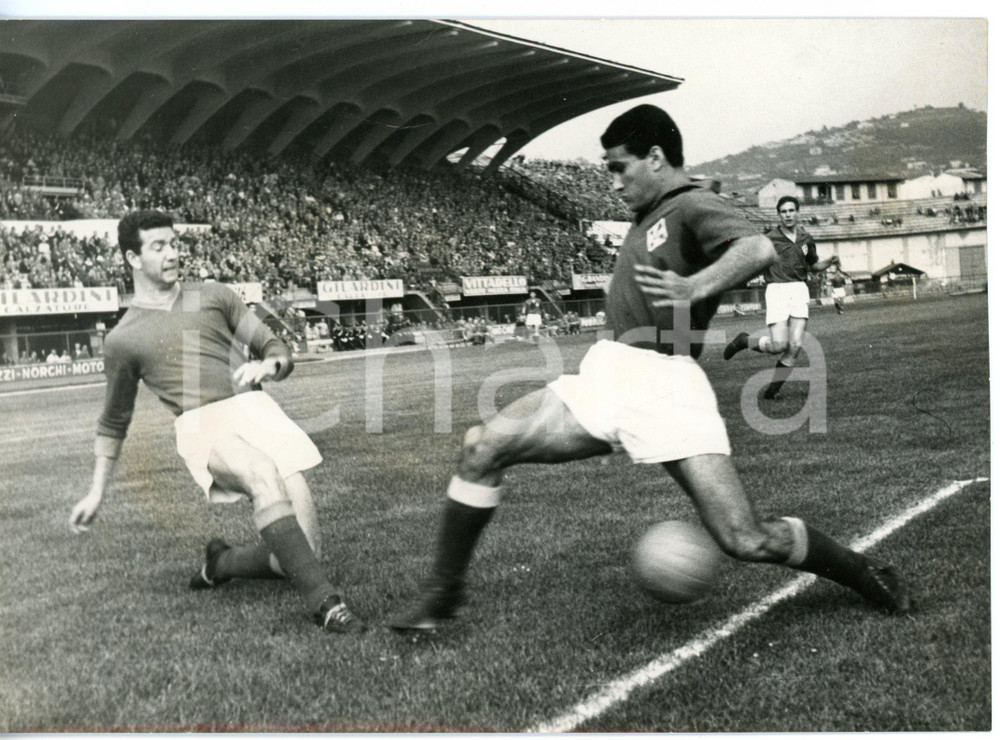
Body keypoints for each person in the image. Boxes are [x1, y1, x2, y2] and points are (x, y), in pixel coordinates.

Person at [389, 104, 908, 631]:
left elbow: (756, 248)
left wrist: (695, 287)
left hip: (665, 385)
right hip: (607, 373)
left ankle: (861, 570)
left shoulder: (692, 203)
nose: (614, 183)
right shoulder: (650, 212)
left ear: (655, 157)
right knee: (483, 447)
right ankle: (443, 594)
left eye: (620, 167)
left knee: (744, 538)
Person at [69, 210, 363, 634]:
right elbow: (114, 421)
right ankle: (329, 606)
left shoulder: (212, 295)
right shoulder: (123, 337)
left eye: (174, 243)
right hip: (202, 423)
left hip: (257, 409)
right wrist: (96, 491)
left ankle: (221, 563)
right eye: (158, 246)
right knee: (261, 473)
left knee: (300, 558)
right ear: (133, 258)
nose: (172, 254)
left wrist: (271, 364)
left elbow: (273, 345)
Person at [723, 195, 840, 399]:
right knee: (778, 346)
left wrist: (829, 261)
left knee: (794, 346)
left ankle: (772, 391)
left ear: (797, 212)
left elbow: (813, 266)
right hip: (777, 290)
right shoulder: (769, 238)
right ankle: (743, 341)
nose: (788, 215)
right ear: (779, 215)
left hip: (799, 290)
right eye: (784, 211)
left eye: (791, 210)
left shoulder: (806, 238)